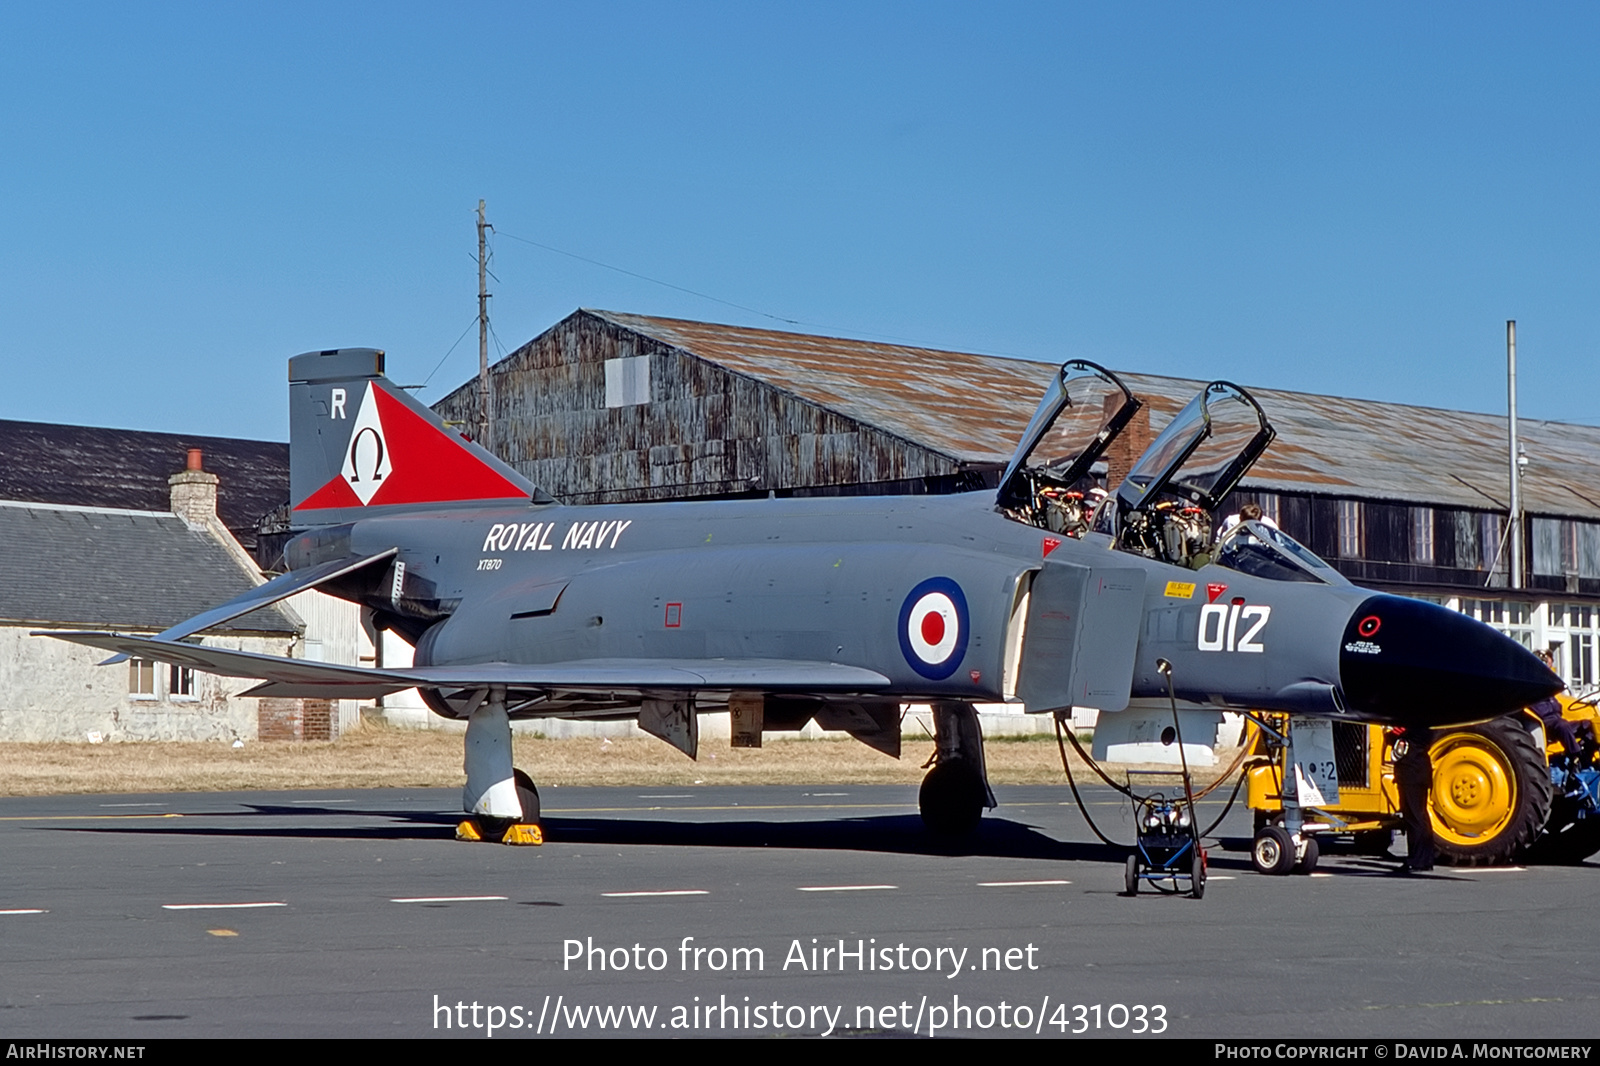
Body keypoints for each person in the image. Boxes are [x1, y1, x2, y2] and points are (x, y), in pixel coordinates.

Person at [1393, 727, 1435, 873]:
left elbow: (1393, 736)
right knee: (1421, 816)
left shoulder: (1412, 726)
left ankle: (1416, 860)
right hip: (1420, 771)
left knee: (1413, 817)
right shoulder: (1427, 727)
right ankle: (1425, 859)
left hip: (1410, 773)